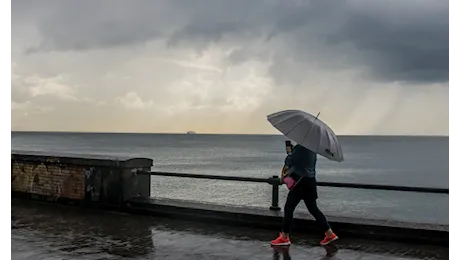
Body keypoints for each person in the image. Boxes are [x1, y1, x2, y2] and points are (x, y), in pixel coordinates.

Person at [271, 142, 338, 246]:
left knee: (289, 208)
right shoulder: (313, 148)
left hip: (300, 183)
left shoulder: (300, 147)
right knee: (313, 209)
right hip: (310, 181)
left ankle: (284, 237)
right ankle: (329, 234)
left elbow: (289, 161)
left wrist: (290, 152)